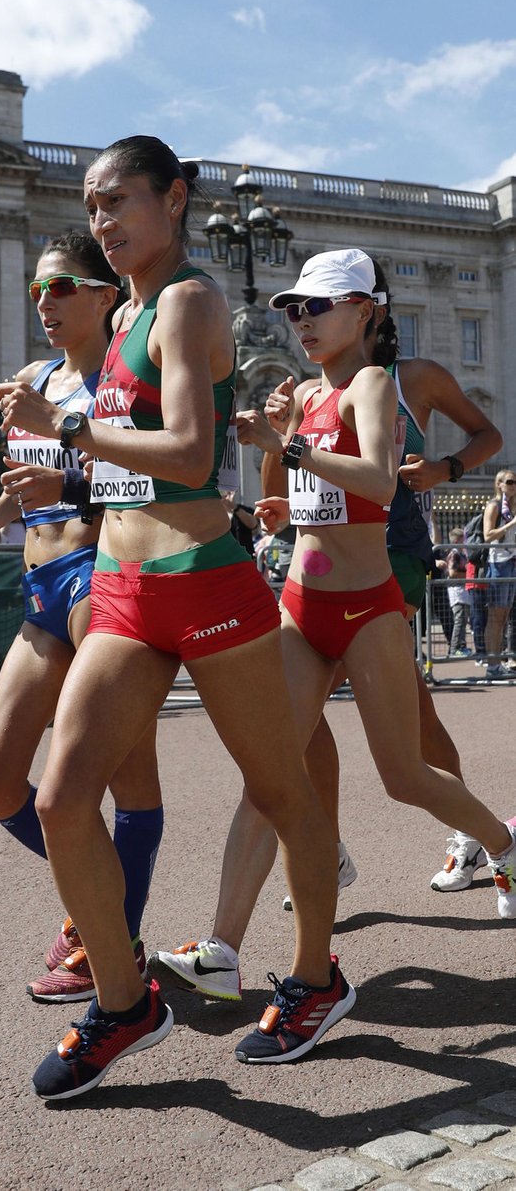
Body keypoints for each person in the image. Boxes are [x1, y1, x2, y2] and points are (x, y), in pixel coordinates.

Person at [0, 137, 349, 1101]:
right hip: (121, 589)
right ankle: (125, 1001)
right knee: (66, 801)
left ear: (176, 200)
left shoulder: (190, 300)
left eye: (118, 203)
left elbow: (191, 455)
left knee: (282, 793)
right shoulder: (127, 321)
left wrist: (63, 425)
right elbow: (129, 462)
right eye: (92, 208)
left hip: (204, 581)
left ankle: (317, 978)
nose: (104, 223)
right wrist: (57, 462)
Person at [151, 249, 514, 1001]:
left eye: (319, 306)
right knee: (268, 774)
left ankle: (505, 844)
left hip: (366, 608)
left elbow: (380, 480)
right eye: (294, 308)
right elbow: (307, 495)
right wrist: (284, 494)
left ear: (367, 312)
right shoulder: (308, 395)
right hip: (300, 606)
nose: (302, 320)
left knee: (405, 776)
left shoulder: (373, 384)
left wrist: (288, 445)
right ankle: (222, 946)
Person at [0, 231, 163, 1004]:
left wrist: (68, 484)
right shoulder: (30, 377)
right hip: (38, 589)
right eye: (38, 289)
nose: (45, 302)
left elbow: (146, 474)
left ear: (105, 293)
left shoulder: (121, 379)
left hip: (100, 579)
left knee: (127, 780)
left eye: (62, 287)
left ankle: (114, 935)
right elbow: (26, 474)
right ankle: (98, 902)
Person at [481, 468, 516, 679]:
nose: (513, 486)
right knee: (495, 616)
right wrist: (512, 523)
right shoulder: (494, 506)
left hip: (511, 561)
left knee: (504, 615)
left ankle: (498, 661)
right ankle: (491, 664)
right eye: (510, 482)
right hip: (498, 562)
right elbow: (487, 535)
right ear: (500, 484)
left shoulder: (513, 506)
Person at [446, 528, 471, 657]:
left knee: (463, 620)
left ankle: (462, 646)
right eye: (462, 539)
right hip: (456, 591)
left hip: (463, 591)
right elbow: (452, 573)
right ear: (456, 541)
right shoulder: (454, 554)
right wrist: (467, 574)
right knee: (459, 620)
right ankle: (454, 648)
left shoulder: (462, 554)